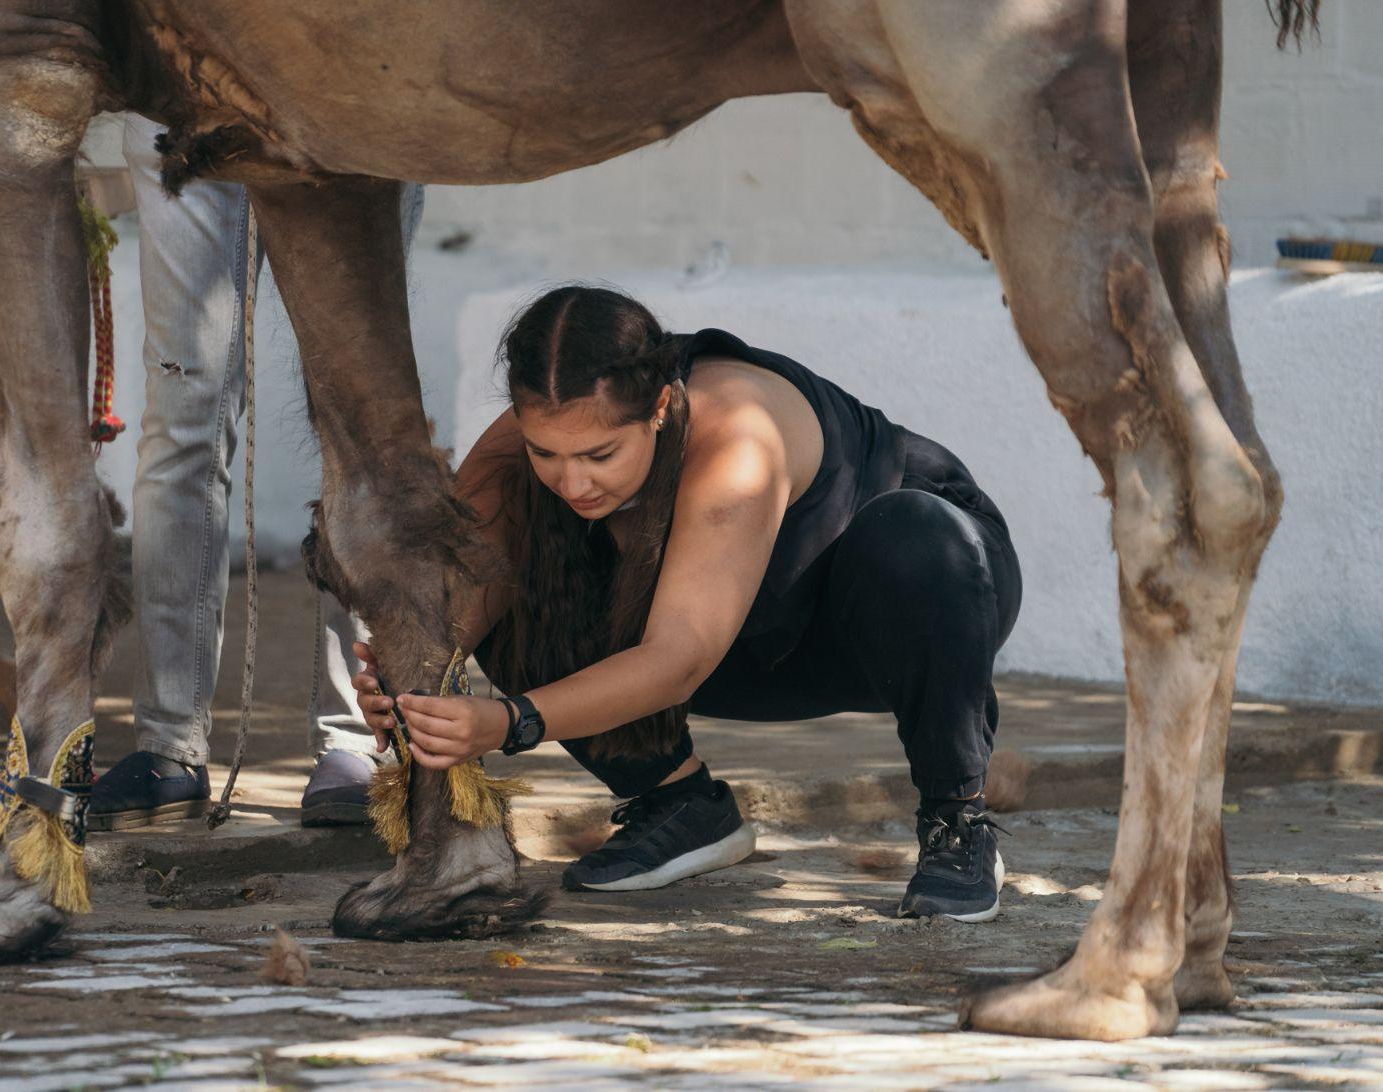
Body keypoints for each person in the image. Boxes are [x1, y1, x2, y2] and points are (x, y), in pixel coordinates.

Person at [352, 285, 1022, 921]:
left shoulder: (737, 434)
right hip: (730, 645)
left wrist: (510, 723)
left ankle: (958, 823)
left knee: (917, 542)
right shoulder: (528, 440)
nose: (572, 480)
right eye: (546, 453)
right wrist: (414, 677)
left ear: (662, 408)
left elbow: (678, 658)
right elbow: (462, 587)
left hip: (902, 619)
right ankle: (680, 805)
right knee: (509, 586)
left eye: (601, 454)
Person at [87, 113, 425, 830]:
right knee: (184, 413)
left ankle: (358, 737)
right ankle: (169, 743)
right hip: (184, 95)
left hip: (346, 96)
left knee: (358, 415)